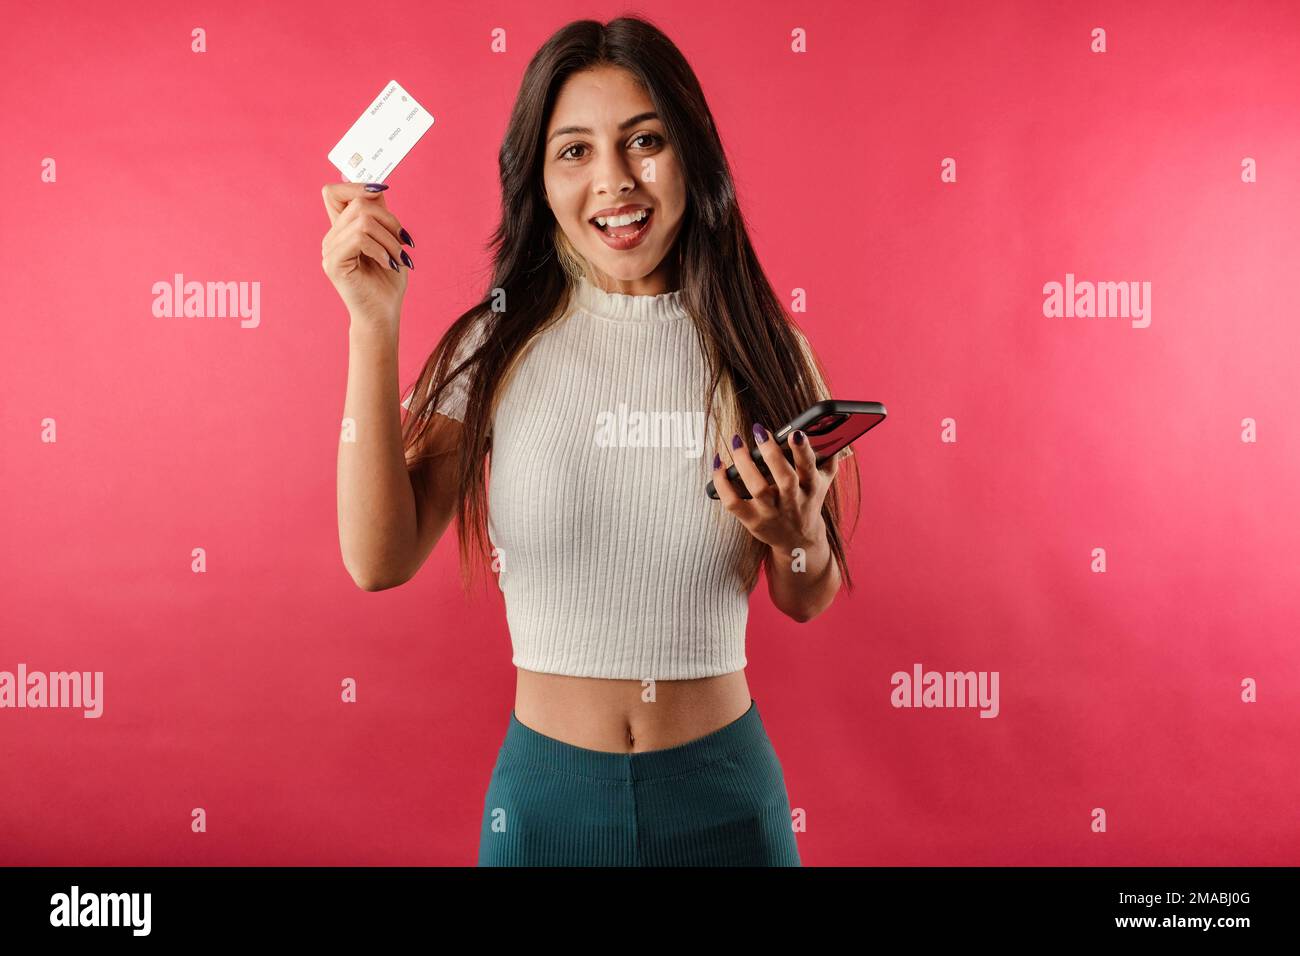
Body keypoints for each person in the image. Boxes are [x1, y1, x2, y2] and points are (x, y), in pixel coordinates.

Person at [322, 16, 859, 866]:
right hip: (543, 809)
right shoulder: (493, 346)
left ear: (693, 154)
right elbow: (376, 560)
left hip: (726, 806)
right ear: (537, 176)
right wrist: (372, 325)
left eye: (644, 141)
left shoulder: (768, 351)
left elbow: (806, 596)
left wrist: (798, 542)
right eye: (574, 151)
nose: (614, 182)